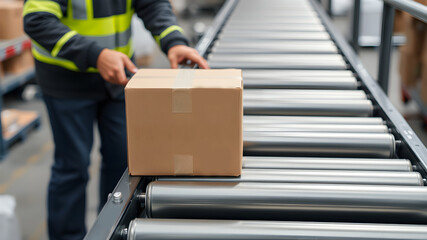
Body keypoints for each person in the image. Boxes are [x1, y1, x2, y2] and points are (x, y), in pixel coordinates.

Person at [23, 0, 209, 239]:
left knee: (122, 162)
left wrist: (173, 40)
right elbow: (37, 19)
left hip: (118, 75)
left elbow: (151, 3)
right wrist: (95, 54)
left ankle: (110, 232)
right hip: (67, 80)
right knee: (73, 166)